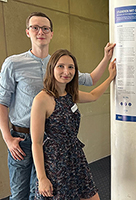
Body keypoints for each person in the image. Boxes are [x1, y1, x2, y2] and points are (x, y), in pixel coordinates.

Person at [0, 12, 115, 200]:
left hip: (51, 142)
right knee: (20, 194)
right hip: (21, 139)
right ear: (28, 32)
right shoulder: (13, 64)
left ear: (51, 33)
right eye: (35, 27)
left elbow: (91, 81)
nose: (40, 32)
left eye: (45, 28)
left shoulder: (60, 64)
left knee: (41, 193)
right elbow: (2, 102)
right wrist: (7, 139)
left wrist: (106, 60)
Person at [31, 49, 116, 199]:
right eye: (61, 66)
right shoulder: (42, 99)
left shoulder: (70, 94)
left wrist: (110, 77)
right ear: (52, 68)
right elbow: (36, 143)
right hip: (56, 160)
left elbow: (93, 95)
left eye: (71, 67)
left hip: (76, 156)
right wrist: (42, 178)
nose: (66, 71)